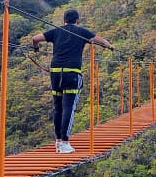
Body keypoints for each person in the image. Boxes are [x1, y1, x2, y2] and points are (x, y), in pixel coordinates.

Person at [25, 9, 114, 153]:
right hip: (71, 73)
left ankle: (58, 141)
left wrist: (35, 49)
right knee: (68, 107)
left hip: (55, 73)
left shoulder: (56, 31)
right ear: (77, 20)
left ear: (64, 20)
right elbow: (100, 41)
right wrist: (110, 46)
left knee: (58, 107)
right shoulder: (81, 32)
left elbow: (35, 38)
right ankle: (65, 143)